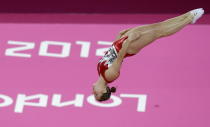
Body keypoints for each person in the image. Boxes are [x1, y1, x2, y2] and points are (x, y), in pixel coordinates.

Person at [92, 8, 204, 101]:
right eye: (96, 95)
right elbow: (120, 57)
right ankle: (189, 19)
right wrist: (129, 41)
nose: (93, 93)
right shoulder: (110, 76)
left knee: (158, 26)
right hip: (129, 46)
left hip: (122, 42)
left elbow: (111, 53)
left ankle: (188, 15)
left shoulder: (99, 70)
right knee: (159, 32)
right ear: (103, 91)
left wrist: (119, 37)